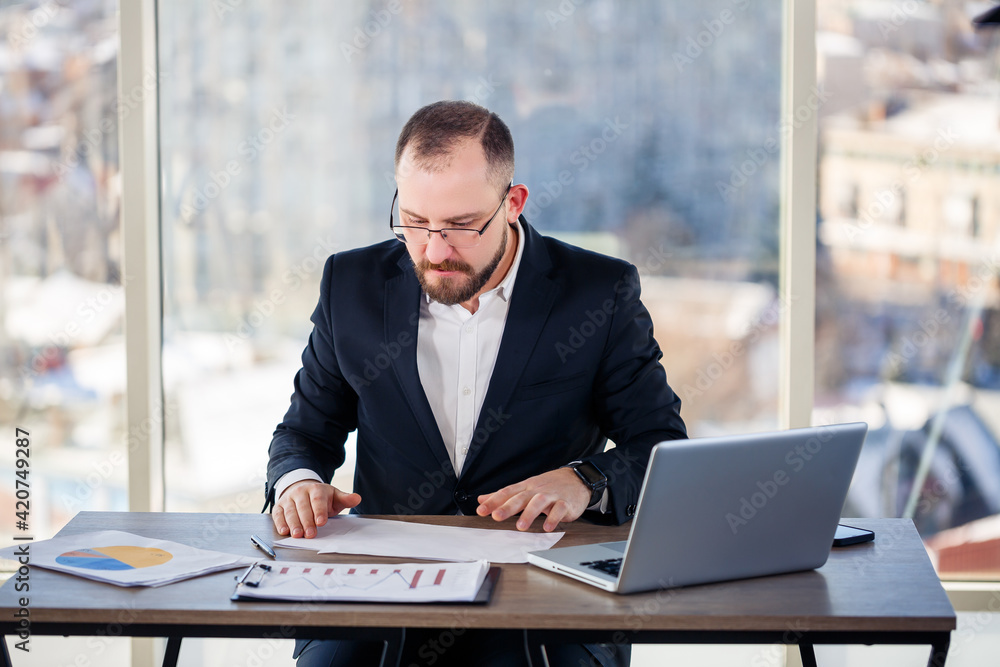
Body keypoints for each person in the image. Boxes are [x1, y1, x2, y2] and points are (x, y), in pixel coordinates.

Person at [265, 100, 687, 667]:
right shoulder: (351, 284)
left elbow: (660, 445)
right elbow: (304, 433)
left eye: (462, 226)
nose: (435, 251)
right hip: (386, 587)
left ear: (512, 203)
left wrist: (586, 480)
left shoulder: (598, 292)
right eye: (415, 223)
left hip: (544, 589)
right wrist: (298, 482)